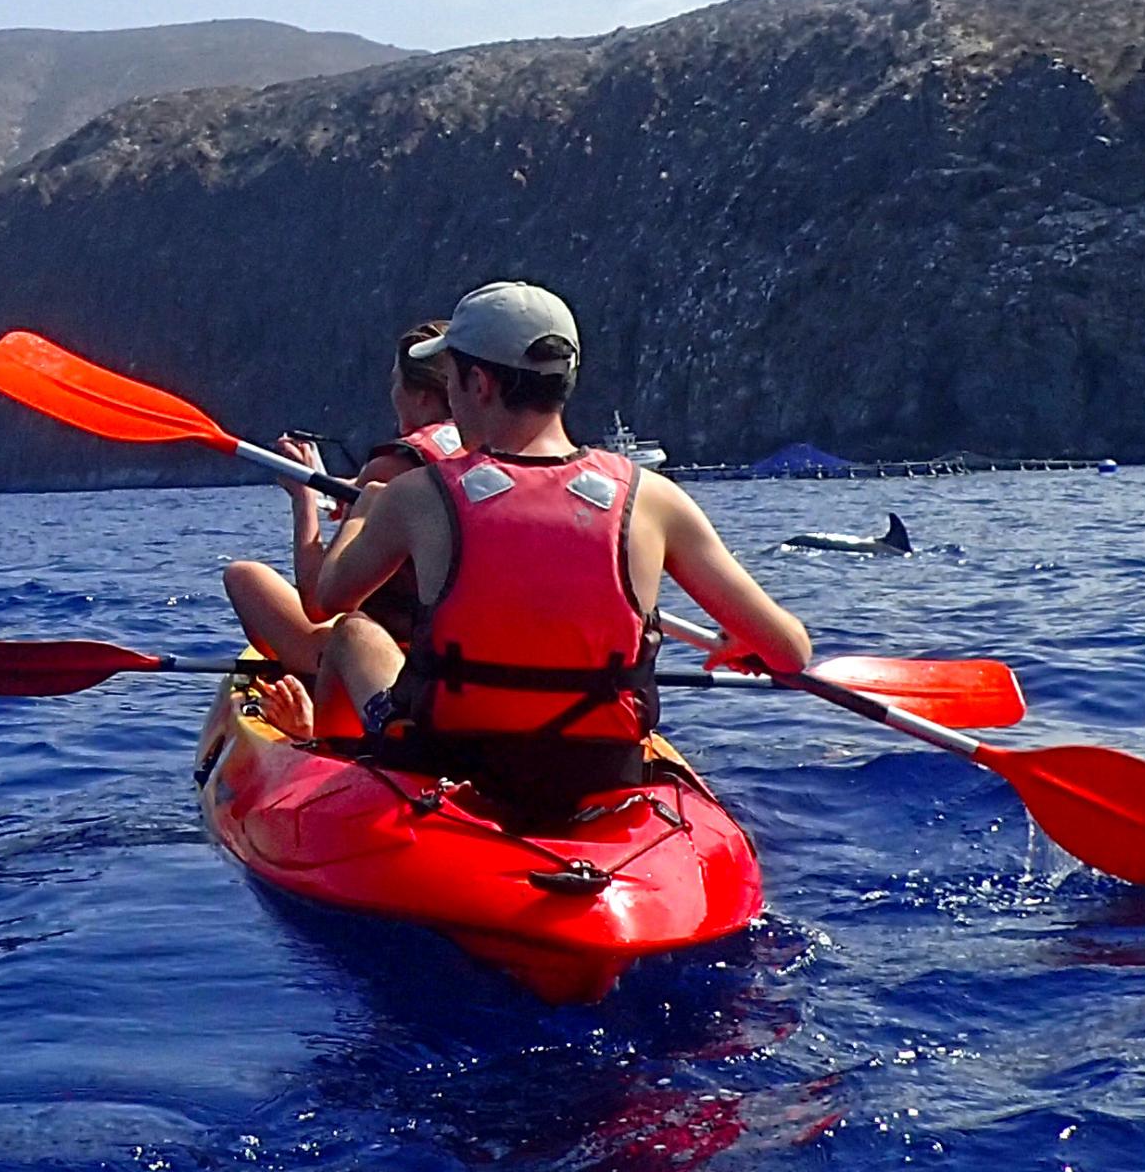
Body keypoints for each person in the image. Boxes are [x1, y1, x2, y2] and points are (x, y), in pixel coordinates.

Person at [299, 280, 813, 827]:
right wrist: (742, 639)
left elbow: (327, 599)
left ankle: (328, 772)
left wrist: (361, 514)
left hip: (447, 761)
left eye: (450, 379)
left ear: (480, 383)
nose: (449, 398)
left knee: (354, 633)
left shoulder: (416, 497)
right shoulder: (654, 499)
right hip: (597, 772)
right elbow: (790, 653)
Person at [220, 319, 460, 674]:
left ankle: (305, 677)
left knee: (243, 577)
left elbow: (318, 601)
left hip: (382, 661)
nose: (393, 394)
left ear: (422, 396)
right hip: (460, 653)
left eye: (396, 382)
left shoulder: (392, 466)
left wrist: (303, 498)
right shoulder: (490, 451)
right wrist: (337, 489)